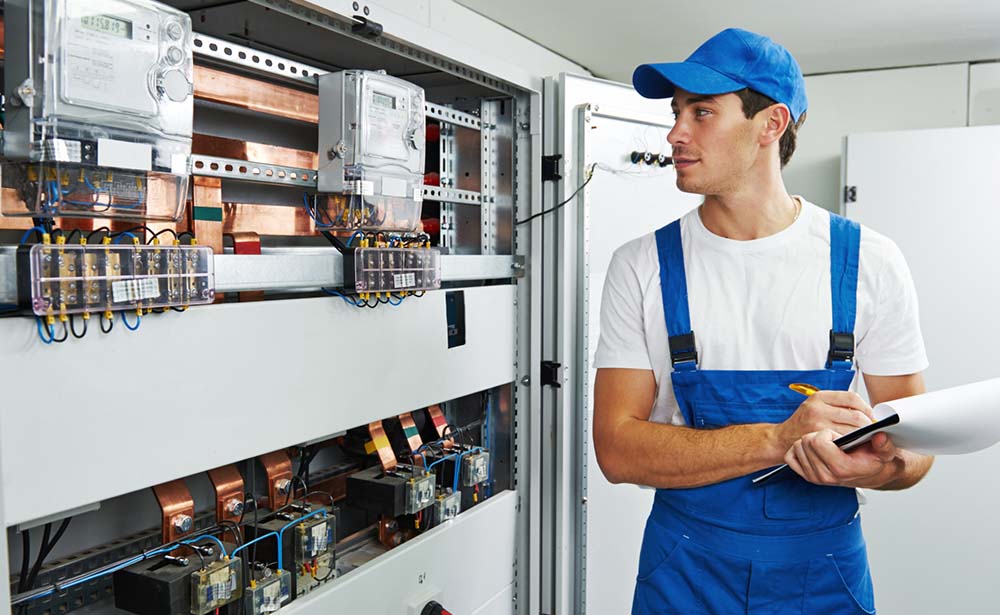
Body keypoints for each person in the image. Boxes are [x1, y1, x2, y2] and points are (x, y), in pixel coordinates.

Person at [592, 28, 934, 614]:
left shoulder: (869, 262)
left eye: (702, 113)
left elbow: (917, 452)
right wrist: (777, 440)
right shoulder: (641, 265)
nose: (675, 133)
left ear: (771, 125)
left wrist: (879, 467)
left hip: (823, 574)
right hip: (685, 571)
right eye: (677, 113)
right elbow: (617, 450)